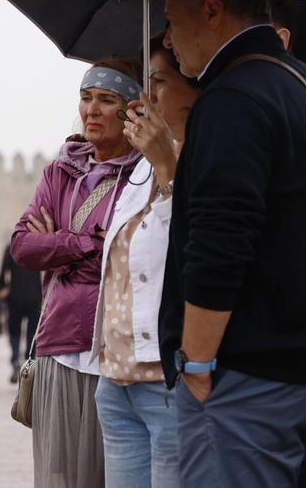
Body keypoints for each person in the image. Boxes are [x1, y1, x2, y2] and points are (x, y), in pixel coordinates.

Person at [158, 0, 306, 485]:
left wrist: (195, 364)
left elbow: (219, 243)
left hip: (257, 375)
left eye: (172, 20)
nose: (168, 41)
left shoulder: (231, 99)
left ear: (212, 10)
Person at [12, 57, 143, 488]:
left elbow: (130, 254)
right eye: (86, 98)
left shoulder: (143, 177)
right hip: (58, 344)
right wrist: (85, 242)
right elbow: (24, 247)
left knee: (109, 475)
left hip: (112, 350)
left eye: (107, 100)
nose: (92, 110)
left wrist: (60, 245)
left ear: (131, 110)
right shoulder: (60, 172)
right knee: (59, 477)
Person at [91, 35, 199, 488]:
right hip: (116, 382)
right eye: (146, 83)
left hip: (167, 381)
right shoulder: (136, 169)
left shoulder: (205, 160)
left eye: (160, 82)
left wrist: (170, 168)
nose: (148, 97)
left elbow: (201, 247)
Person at [0, 241, 41, 382]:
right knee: (32, 331)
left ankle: (15, 360)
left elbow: (3, 271)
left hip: (15, 295)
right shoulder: (37, 245)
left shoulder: (12, 246)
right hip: (35, 294)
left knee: (14, 330)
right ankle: (29, 362)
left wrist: (2, 288)